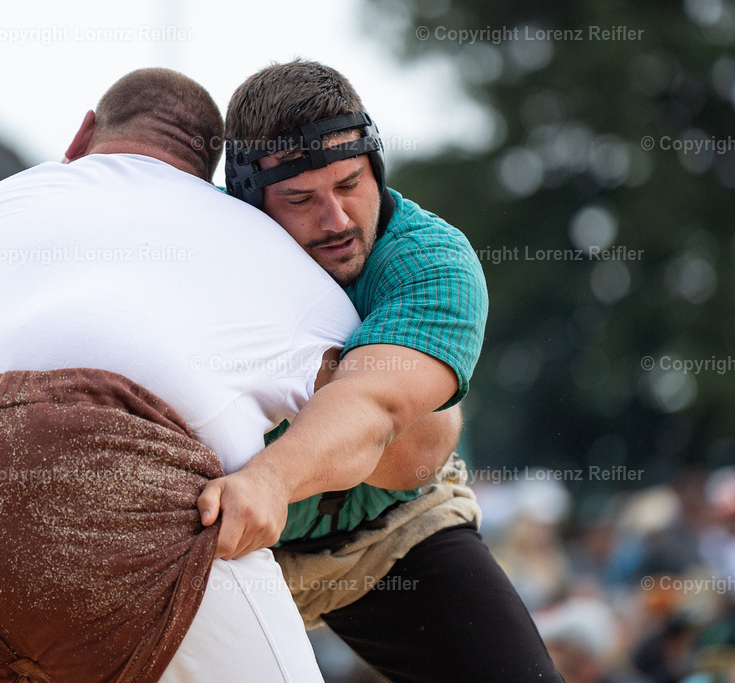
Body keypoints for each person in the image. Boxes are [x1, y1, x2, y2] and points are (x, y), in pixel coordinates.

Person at [0, 67, 363, 681]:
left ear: (81, 136)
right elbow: (372, 413)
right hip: (98, 475)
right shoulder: (252, 236)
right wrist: (276, 478)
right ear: (207, 175)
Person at [213, 59, 562, 681]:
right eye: (300, 199)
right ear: (248, 202)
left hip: (389, 532)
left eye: (350, 184)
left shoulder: (429, 259)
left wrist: (269, 479)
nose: (336, 220)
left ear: (375, 168)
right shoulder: (194, 251)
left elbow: (385, 420)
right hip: (217, 545)